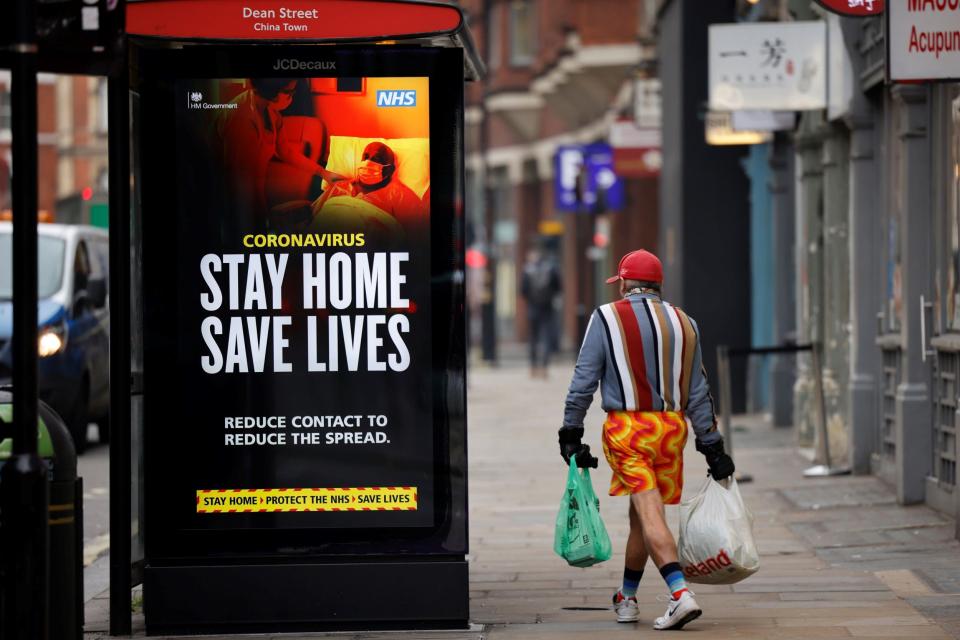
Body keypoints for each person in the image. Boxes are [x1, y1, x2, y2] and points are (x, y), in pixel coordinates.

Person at [558, 249, 735, 631]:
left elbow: (583, 380)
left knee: (649, 512)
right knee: (641, 516)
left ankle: (680, 594)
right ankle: (627, 597)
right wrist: (712, 446)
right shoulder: (685, 322)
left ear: (624, 283)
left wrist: (570, 432)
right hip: (671, 430)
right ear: (657, 286)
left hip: (629, 430)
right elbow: (698, 390)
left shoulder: (606, 317)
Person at [219, 78, 345, 229]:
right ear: (270, 89)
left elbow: (286, 151)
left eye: (293, 92)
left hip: (254, 190)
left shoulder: (272, 114)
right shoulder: (241, 117)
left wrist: (323, 172)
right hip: (229, 194)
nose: (291, 97)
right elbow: (240, 181)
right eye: (288, 92)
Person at [314, 141, 425, 228]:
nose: (368, 162)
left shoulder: (400, 196)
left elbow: (417, 237)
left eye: (376, 159)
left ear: (389, 169)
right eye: (365, 157)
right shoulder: (340, 187)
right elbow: (313, 216)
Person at [520, 245, 561, 378]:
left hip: (533, 307)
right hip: (548, 307)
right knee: (546, 337)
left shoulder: (527, 270)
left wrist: (531, 299)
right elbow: (558, 287)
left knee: (533, 338)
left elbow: (523, 290)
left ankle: (533, 367)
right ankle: (544, 367)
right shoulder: (551, 268)